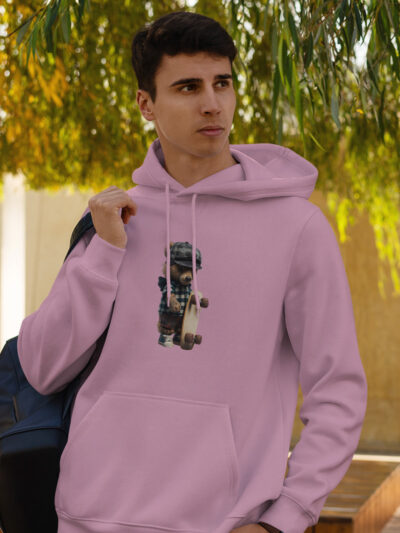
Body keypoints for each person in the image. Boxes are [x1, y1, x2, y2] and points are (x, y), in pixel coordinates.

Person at [17, 10, 368, 533]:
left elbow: (337, 389)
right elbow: (42, 366)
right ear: (146, 104)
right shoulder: (114, 221)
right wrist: (105, 254)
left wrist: (286, 518)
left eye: (222, 83)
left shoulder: (296, 227)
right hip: (89, 516)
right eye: (187, 87)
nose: (212, 103)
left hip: (224, 523)